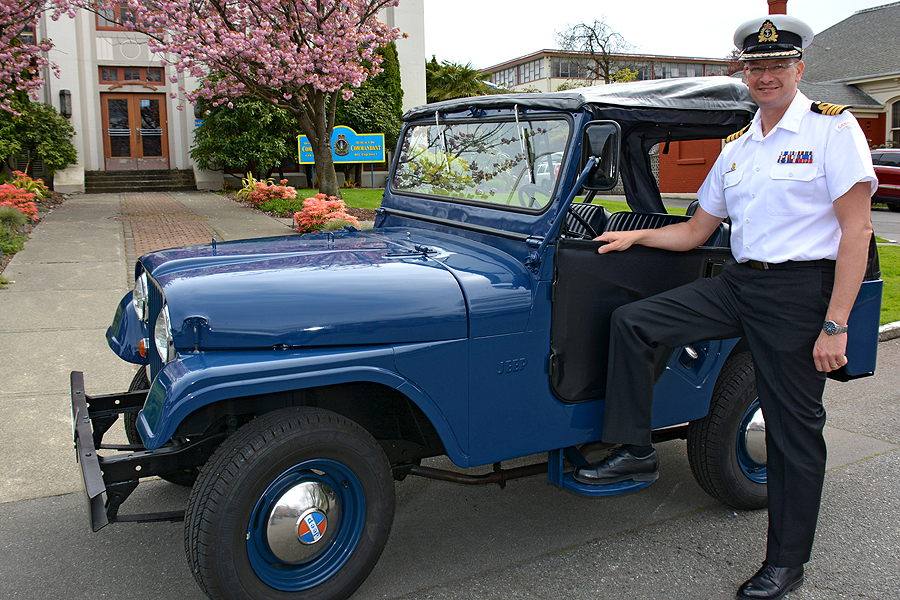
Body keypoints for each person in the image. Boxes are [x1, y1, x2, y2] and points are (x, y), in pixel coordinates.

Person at [573, 14, 877, 600]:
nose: (765, 75)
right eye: (755, 66)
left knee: (792, 432)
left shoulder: (831, 132)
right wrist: (637, 236)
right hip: (740, 283)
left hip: (799, 293)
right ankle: (635, 449)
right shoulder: (738, 147)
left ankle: (787, 563)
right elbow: (695, 232)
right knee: (636, 323)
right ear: (744, 72)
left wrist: (835, 324)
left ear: (798, 69)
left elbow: (857, 232)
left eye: (776, 65)